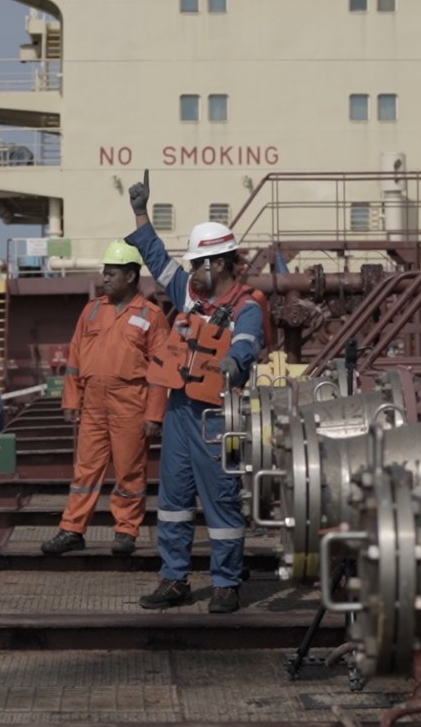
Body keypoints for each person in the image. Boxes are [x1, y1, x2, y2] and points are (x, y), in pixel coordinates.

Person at [124, 175, 264, 614]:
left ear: (219, 264)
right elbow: (156, 258)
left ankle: (225, 583)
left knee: (222, 498)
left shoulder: (248, 307)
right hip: (182, 410)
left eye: (199, 264)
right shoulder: (190, 294)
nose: (191, 273)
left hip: (219, 416)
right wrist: (141, 212)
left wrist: (233, 362)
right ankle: (173, 579)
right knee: (173, 501)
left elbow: (247, 341)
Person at [41, 240, 171, 556]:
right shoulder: (92, 310)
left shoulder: (151, 316)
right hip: (94, 403)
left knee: (129, 470)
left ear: (130, 276)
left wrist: (154, 415)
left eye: (111, 273)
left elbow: (160, 371)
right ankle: (72, 530)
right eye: (105, 272)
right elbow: (74, 357)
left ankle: (125, 532)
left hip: (131, 402)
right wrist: (72, 400)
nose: (104, 278)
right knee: (85, 470)